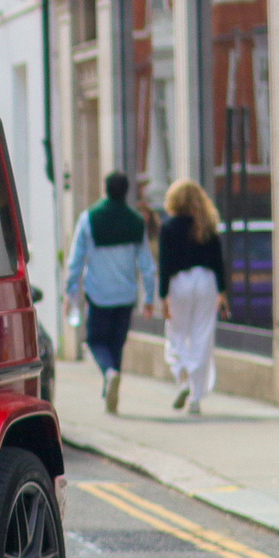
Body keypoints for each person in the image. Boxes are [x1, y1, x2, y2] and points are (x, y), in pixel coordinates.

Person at [64, 171, 156, 415]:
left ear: (105, 189)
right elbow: (147, 264)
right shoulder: (136, 221)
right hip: (126, 295)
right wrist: (149, 298)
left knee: (95, 340)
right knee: (117, 343)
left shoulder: (89, 218)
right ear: (126, 191)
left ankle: (109, 373)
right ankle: (111, 385)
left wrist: (70, 291)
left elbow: (76, 259)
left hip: (99, 294)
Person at [158, 180, 230, 417]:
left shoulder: (168, 228)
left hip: (180, 283)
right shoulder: (208, 226)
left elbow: (165, 265)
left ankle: (184, 376)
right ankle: (196, 398)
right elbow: (219, 262)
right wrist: (222, 291)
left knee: (176, 333)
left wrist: (163, 296)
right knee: (202, 335)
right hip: (207, 281)